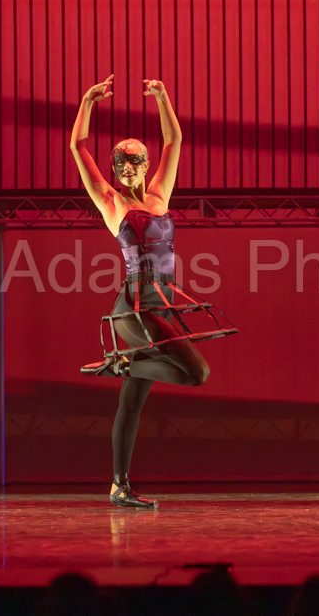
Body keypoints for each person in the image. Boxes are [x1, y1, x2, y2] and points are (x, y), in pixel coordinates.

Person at [69, 74, 236, 510]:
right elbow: (78, 147)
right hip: (134, 308)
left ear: (146, 164)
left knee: (132, 402)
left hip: (160, 304)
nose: (127, 168)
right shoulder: (112, 203)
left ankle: (118, 486)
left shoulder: (161, 195)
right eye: (120, 162)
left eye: (135, 160)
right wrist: (87, 102)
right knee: (196, 373)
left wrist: (162, 97)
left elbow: (174, 140)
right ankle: (123, 362)